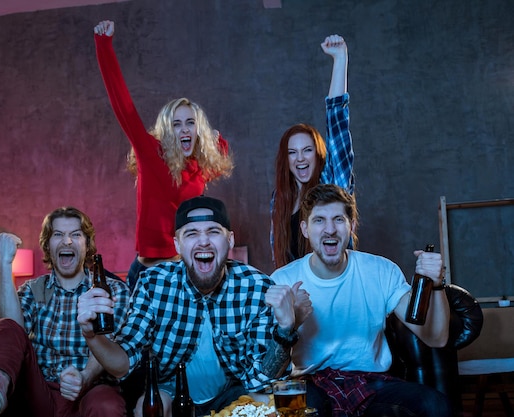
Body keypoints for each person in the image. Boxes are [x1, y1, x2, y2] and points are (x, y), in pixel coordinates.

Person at [77, 196, 299, 417]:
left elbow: (263, 379)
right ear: (177, 244)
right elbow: (121, 364)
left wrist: (285, 329)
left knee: (270, 404)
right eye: (191, 233)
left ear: (229, 240)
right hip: (172, 390)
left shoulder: (256, 286)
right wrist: (91, 335)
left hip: (234, 390)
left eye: (213, 231)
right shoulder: (153, 284)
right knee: (147, 407)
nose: (203, 241)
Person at [268, 184, 453, 417]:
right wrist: (289, 323)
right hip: (310, 382)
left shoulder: (381, 270)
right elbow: (267, 370)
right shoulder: (283, 280)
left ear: (351, 226)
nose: (329, 230)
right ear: (305, 229)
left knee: (435, 406)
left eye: (338, 219)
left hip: (372, 382)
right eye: (319, 221)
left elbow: (436, 337)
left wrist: (436, 284)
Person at [0, 207, 130, 417]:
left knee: (106, 404)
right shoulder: (33, 290)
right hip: (41, 390)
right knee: (6, 324)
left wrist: (85, 377)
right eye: (58, 235)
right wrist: (4, 265)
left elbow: (111, 342)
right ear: (48, 245)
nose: (67, 241)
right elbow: (11, 328)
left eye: (76, 234)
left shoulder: (112, 290)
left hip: (91, 389)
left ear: (87, 245)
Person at [93, 20, 234, 290]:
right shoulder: (150, 154)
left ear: (197, 128)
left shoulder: (199, 167)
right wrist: (104, 45)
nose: (184, 129)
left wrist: (215, 139)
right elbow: (122, 103)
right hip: (146, 273)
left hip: (183, 271)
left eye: (190, 123)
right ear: (167, 130)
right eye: (176, 123)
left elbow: (220, 154)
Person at [271, 34, 355, 268]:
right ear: (285, 160)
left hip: (333, 287)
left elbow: (338, 126)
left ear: (318, 154)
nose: (300, 158)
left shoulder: (331, 186)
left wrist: (340, 59)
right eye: (292, 152)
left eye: (307, 150)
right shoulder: (279, 199)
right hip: (298, 296)